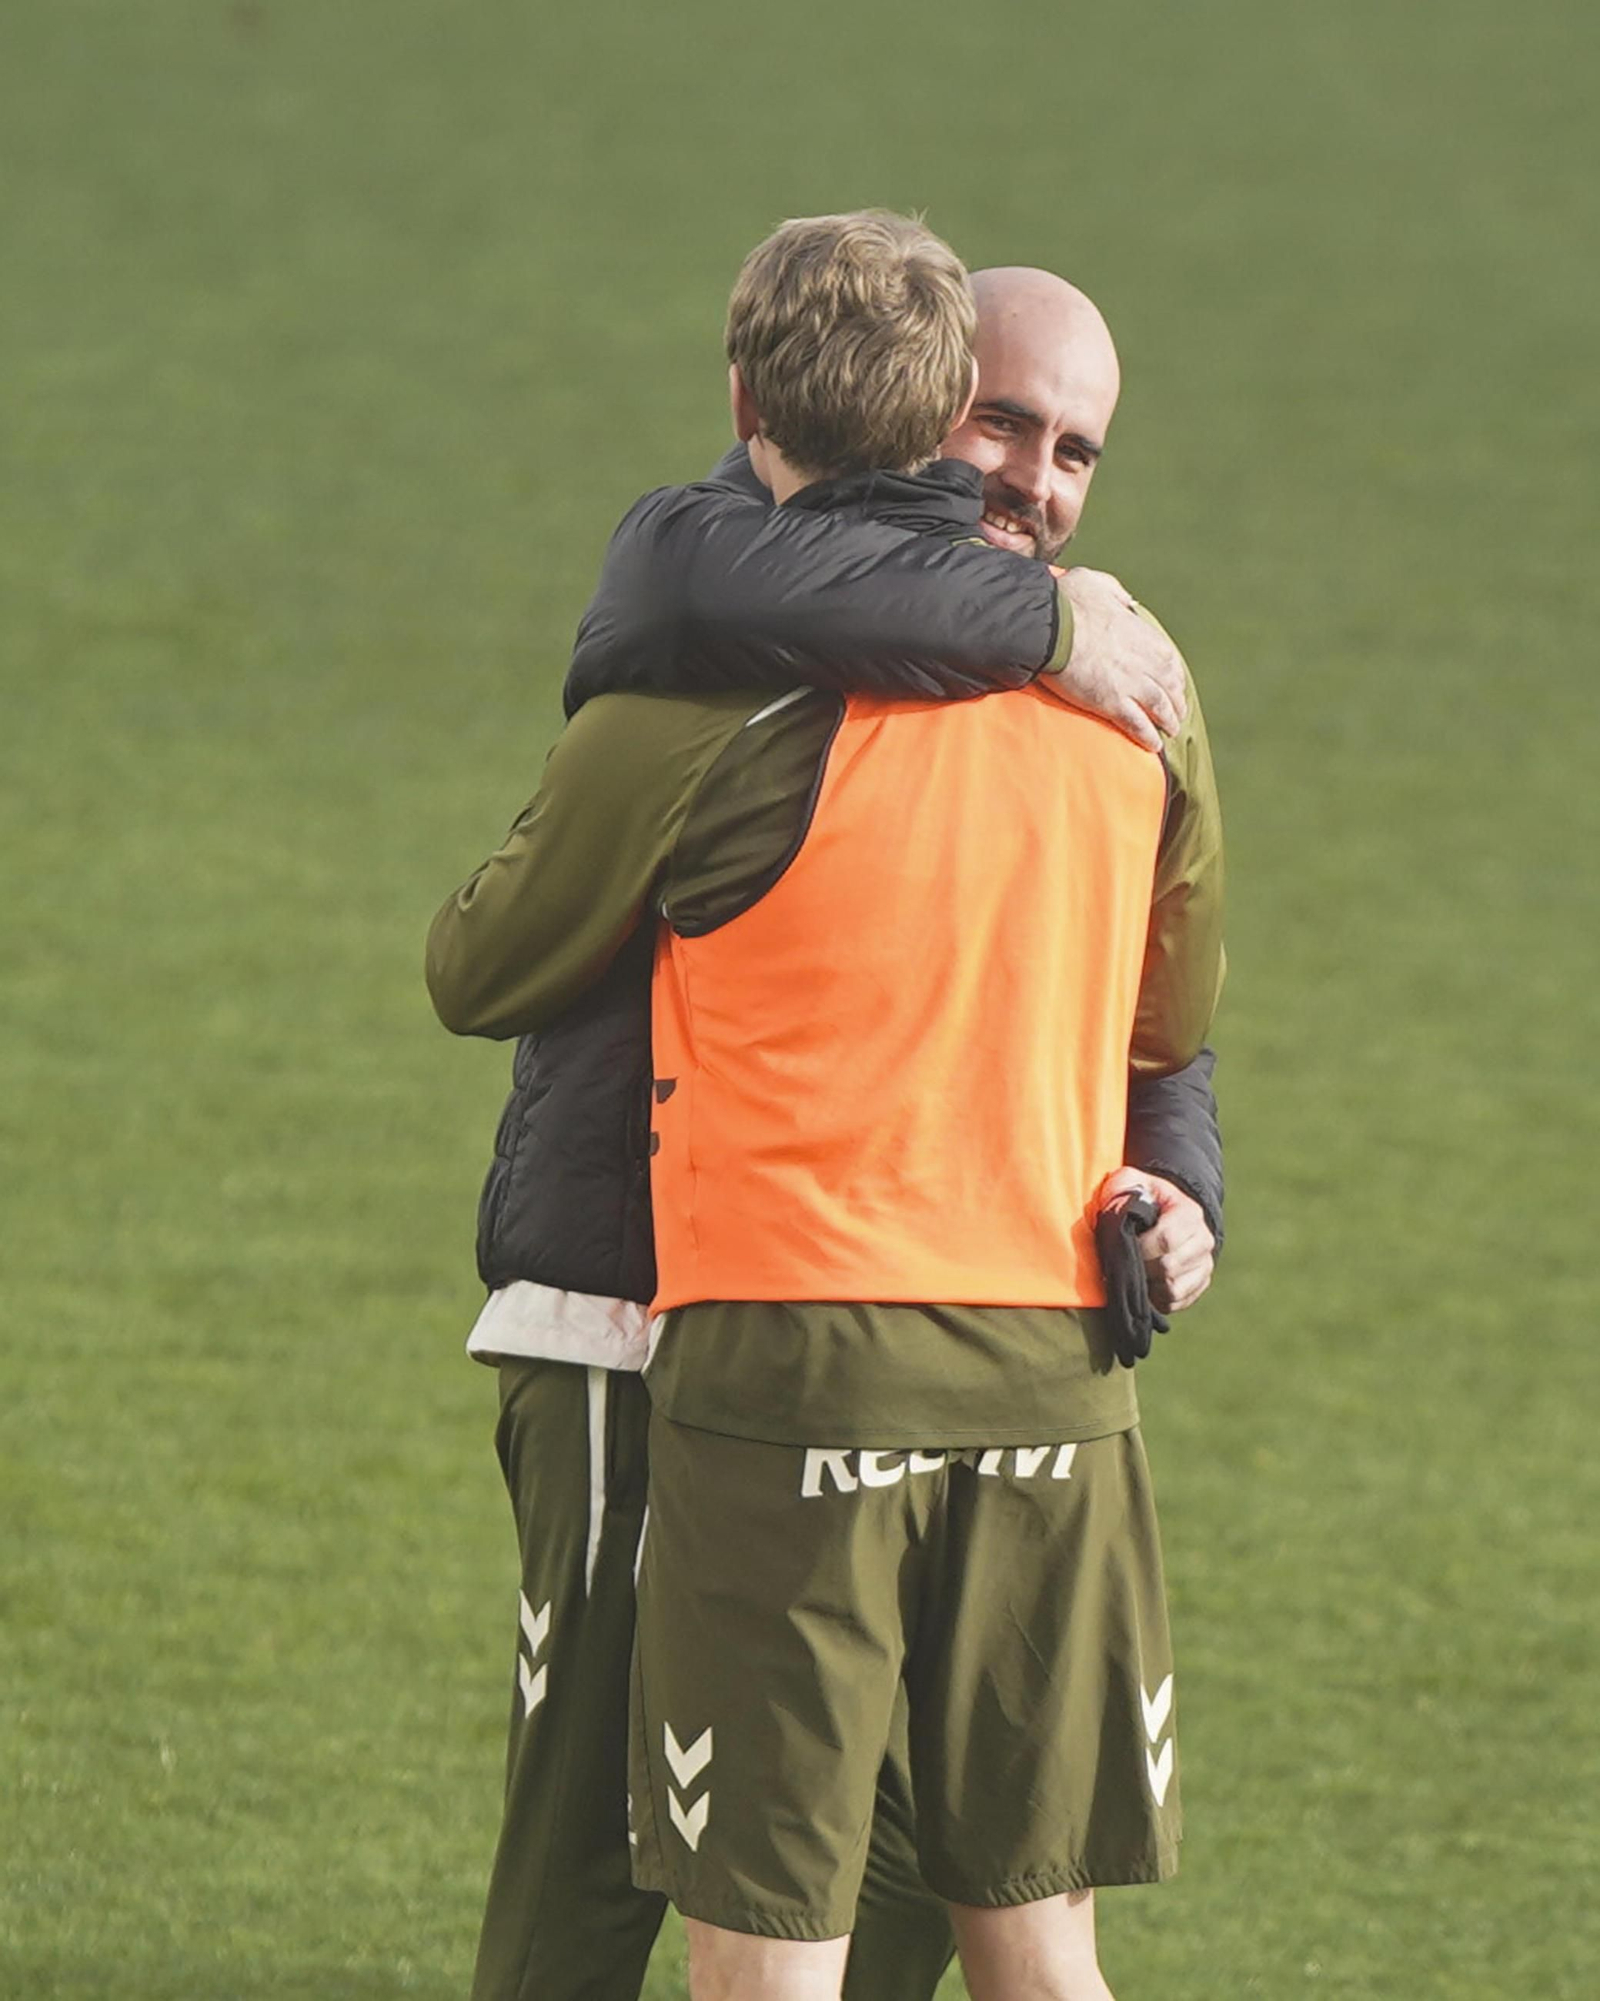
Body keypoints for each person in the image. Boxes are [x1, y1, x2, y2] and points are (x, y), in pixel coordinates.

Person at [429, 211, 1222, 2001]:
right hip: (702, 1321)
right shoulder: (1097, 689)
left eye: (1074, 449)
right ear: (934, 409)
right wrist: (1037, 621)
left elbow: (1159, 1035)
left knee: (819, 1900)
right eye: (1004, 426)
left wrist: (1188, 1189)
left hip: (786, 1341)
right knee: (968, 1903)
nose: (1030, 476)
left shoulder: (726, 702)